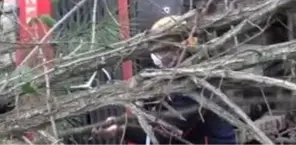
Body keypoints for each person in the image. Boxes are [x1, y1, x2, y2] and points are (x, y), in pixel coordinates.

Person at [92, 15, 237, 145]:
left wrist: (121, 129)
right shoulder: (179, 72)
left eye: (159, 51)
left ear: (177, 49)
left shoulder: (196, 82)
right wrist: (121, 121)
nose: (155, 56)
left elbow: (165, 131)